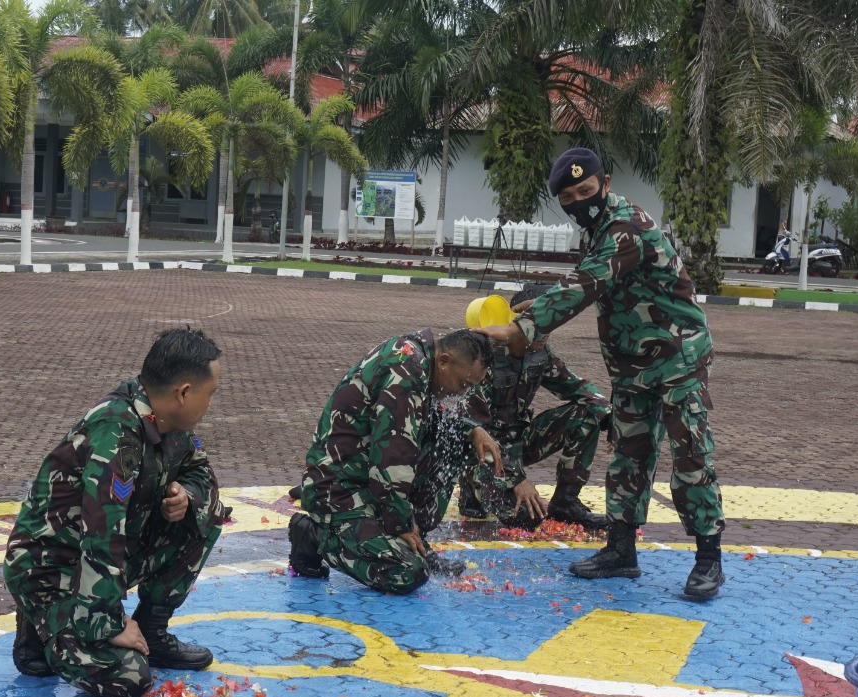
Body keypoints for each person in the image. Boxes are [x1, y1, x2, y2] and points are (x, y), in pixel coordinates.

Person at [472, 147, 725, 600]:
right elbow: (596, 277)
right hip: (632, 366)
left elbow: (589, 283)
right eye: (569, 196)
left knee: (690, 455)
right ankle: (621, 552)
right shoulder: (600, 227)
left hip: (677, 358)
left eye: (586, 190)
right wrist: (542, 303)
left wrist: (523, 328)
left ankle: (709, 559)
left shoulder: (627, 226)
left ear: (604, 183)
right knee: (629, 454)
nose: (579, 202)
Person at [3, 328, 228, 697]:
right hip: (51, 570)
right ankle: (44, 625)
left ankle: (152, 631)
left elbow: (200, 473)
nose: (210, 403)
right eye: (211, 393)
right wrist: (110, 624)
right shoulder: (117, 432)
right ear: (184, 392)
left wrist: (186, 495)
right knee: (128, 679)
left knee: (207, 514)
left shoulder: (168, 423)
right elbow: (102, 535)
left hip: (99, 561)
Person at [288, 328, 499, 594]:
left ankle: (416, 540)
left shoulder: (426, 360)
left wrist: (472, 429)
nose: (463, 393)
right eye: (464, 384)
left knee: (455, 439)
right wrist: (399, 524)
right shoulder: (406, 372)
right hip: (340, 487)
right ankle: (315, 535)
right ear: (444, 361)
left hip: (367, 479)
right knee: (407, 573)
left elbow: (436, 422)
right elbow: (392, 457)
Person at [460, 289, 611, 530]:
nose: (545, 331)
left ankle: (566, 502)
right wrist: (516, 479)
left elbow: (577, 387)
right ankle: (472, 488)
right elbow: (469, 427)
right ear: (515, 323)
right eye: (537, 323)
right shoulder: (484, 359)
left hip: (518, 442)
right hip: (480, 452)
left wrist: (613, 420)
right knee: (525, 520)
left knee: (587, 413)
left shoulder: (539, 353)